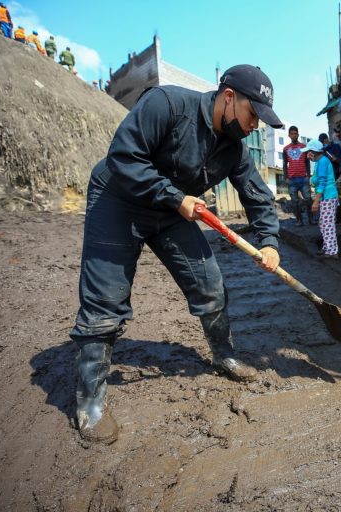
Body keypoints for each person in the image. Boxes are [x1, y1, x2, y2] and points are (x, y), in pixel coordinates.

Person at [69, 64, 284, 445]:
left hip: (171, 210)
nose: (255, 126)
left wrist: (268, 241)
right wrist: (173, 196)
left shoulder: (233, 150)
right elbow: (123, 156)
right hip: (118, 197)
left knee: (210, 284)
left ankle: (223, 355)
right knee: (105, 299)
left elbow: (257, 196)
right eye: (253, 115)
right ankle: (90, 402)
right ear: (229, 97)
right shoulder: (167, 103)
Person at [304, 139, 338, 259]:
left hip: (328, 196)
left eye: (309, 152)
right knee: (323, 223)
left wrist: (316, 201)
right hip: (325, 196)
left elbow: (322, 182)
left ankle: (332, 251)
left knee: (327, 224)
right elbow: (316, 180)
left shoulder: (323, 161)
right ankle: (327, 247)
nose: (307, 154)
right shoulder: (319, 162)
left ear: (314, 151)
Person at [282, 125, 313, 226]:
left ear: (298, 134)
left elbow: (307, 162)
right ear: (289, 135)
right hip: (292, 180)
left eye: (296, 133)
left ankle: (311, 220)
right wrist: (286, 177)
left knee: (308, 199)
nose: (294, 135)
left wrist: (308, 175)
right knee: (294, 202)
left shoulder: (304, 147)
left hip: (303, 179)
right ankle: (299, 221)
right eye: (292, 134)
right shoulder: (286, 149)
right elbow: (284, 164)